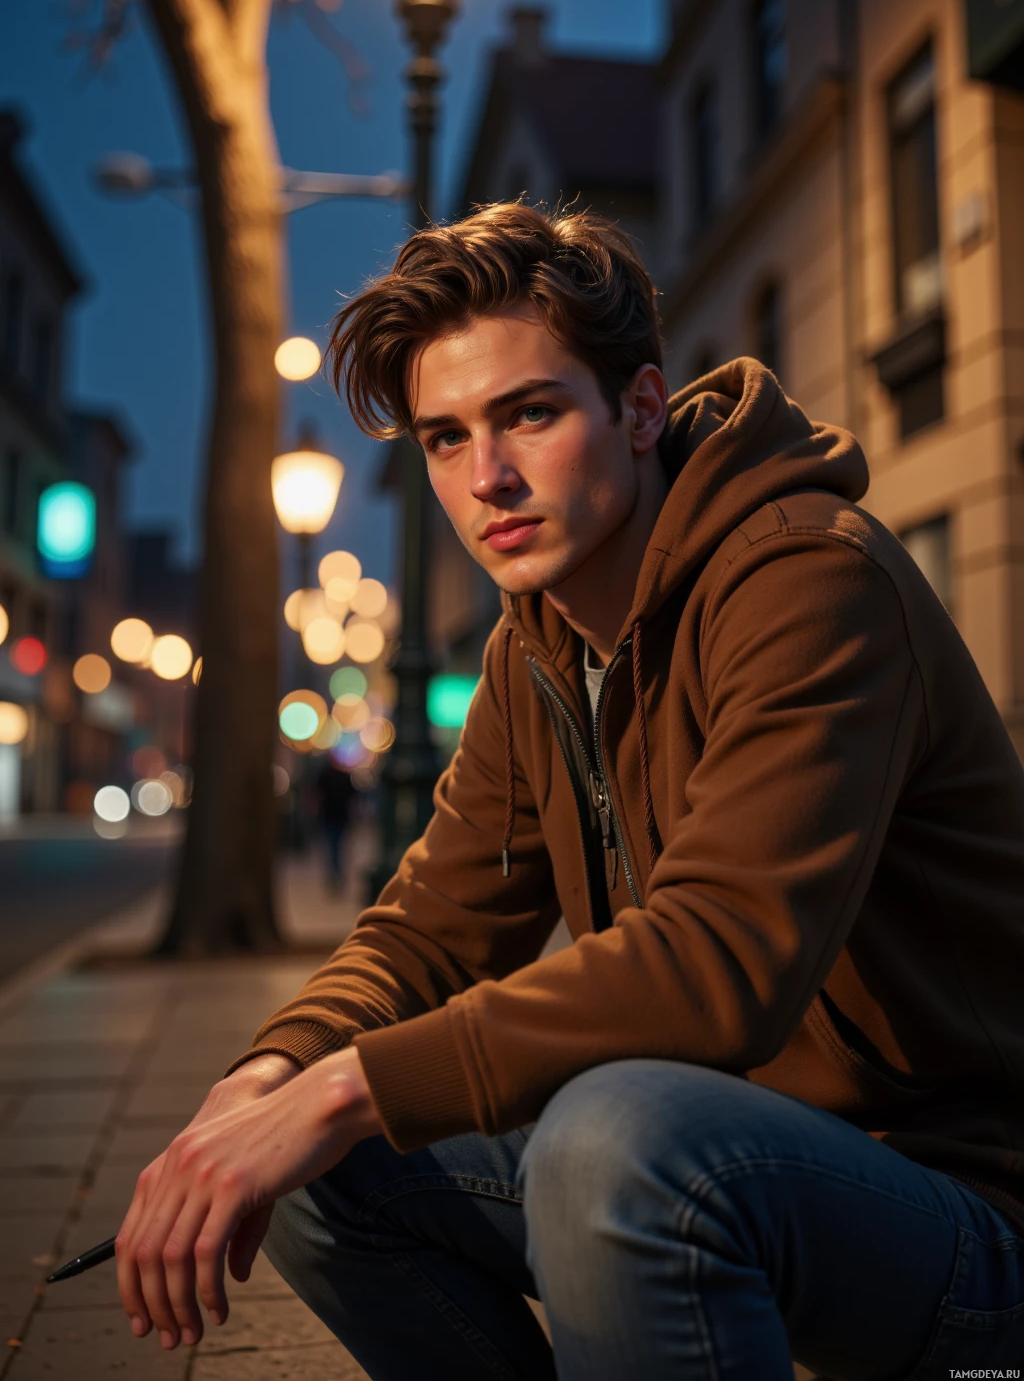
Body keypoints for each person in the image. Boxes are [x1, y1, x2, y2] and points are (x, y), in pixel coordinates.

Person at [113, 205, 1024, 1380]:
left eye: (530, 413)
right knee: (305, 1164)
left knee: (608, 1138)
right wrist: (271, 1078)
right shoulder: (534, 648)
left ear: (638, 410)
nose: (486, 477)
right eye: (445, 439)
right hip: (748, 1161)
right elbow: (429, 928)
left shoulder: (808, 577)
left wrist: (346, 1088)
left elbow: (719, 960)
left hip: (968, 1211)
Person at [313, 756, 355, 894]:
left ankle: (335, 874)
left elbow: (317, 794)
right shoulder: (342, 776)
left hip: (331, 816)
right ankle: (337, 874)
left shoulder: (325, 775)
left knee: (333, 846)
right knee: (337, 847)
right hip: (338, 816)